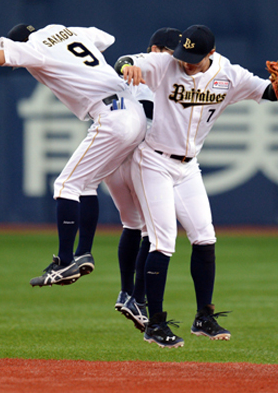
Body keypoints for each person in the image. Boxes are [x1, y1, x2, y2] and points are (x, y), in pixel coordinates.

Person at [122, 25, 278, 348]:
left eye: (194, 58)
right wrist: (128, 66)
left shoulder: (228, 74)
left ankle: (203, 317)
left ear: (211, 53)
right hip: (152, 162)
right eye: (183, 55)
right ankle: (155, 323)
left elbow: (267, 91)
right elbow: (126, 61)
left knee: (205, 237)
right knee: (163, 242)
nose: (186, 62)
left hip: (188, 167)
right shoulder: (166, 64)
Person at [0, 23, 147, 287]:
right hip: (133, 111)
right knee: (86, 184)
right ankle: (83, 253)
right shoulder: (68, 31)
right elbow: (106, 37)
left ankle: (64, 262)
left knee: (65, 185)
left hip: (112, 117)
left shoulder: (32, 48)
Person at [105, 28, 182, 333]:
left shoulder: (125, 78)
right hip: (139, 157)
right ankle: (137, 298)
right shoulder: (152, 75)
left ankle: (127, 292)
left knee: (132, 224)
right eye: (169, 53)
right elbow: (124, 62)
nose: (174, 59)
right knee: (153, 229)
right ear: (153, 50)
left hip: (111, 156)